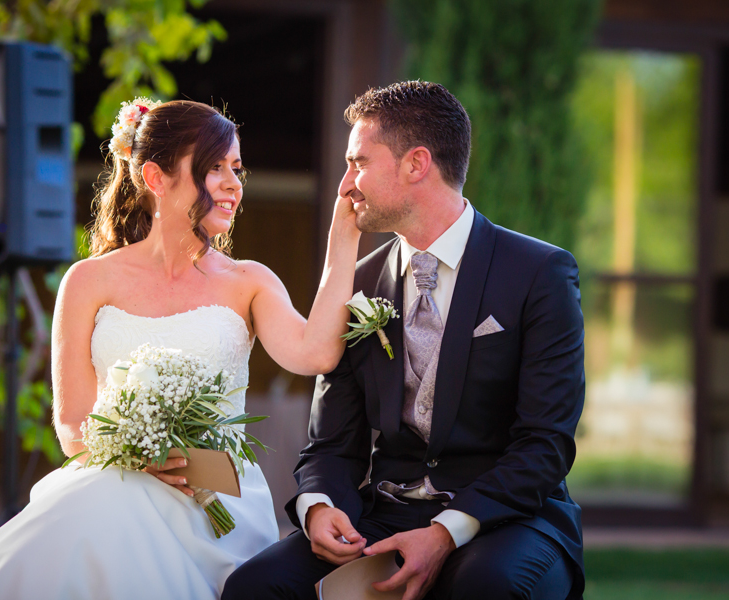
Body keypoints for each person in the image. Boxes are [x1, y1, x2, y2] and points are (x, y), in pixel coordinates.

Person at [0, 99, 361, 599]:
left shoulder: (249, 282)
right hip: (113, 480)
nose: (234, 183)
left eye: (235, 168)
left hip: (215, 494)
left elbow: (316, 353)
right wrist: (142, 455)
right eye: (214, 168)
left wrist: (344, 238)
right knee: (94, 513)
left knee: (101, 516)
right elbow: (72, 426)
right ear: (155, 176)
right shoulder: (87, 281)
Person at [222, 81, 585, 600]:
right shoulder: (360, 284)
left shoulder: (538, 272)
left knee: (484, 587)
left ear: (416, 164)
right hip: (385, 511)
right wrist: (320, 507)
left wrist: (445, 531)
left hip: (510, 518)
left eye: (359, 163)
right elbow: (330, 443)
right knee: (256, 586)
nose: (346, 184)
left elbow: (545, 443)